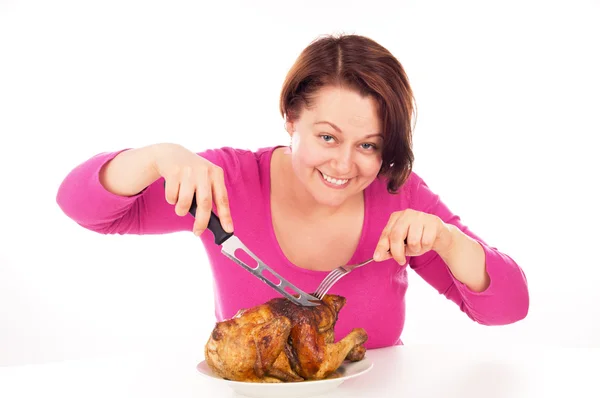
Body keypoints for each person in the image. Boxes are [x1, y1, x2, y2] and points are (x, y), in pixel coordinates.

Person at [56, 33, 529, 348]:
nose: (344, 164)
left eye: (368, 145)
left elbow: (508, 308)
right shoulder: (226, 183)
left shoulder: (399, 196)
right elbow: (82, 207)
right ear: (290, 118)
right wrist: (155, 155)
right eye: (327, 137)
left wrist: (447, 239)